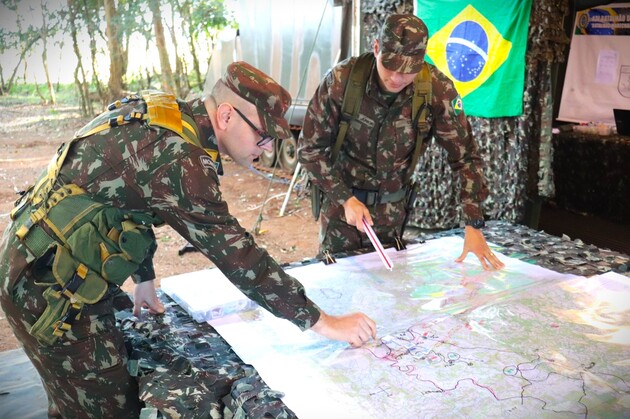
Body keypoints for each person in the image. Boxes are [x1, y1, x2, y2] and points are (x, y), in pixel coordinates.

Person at [0, 62, 376, 417]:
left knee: (75, 396)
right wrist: (323, 322)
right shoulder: (183, 161)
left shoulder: (168, 114)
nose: (267, 151)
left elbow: (127, 202)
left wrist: (143, 277)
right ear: (227, 115)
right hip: (48, 286)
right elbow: (241, 258)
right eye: (263, 137)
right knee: (105, 407)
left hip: (42, 255)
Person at [298, 14, 504, 271]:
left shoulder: (436, 90)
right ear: (376, 48)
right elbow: (309, 150)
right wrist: (345, 199)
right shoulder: (341, 81)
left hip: (393, 216)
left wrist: (473, 223)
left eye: (408, 71)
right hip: (343, 216)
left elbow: (465, 158)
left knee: (389, 291)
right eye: (390, 66)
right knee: (341, 291)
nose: (396, 78)